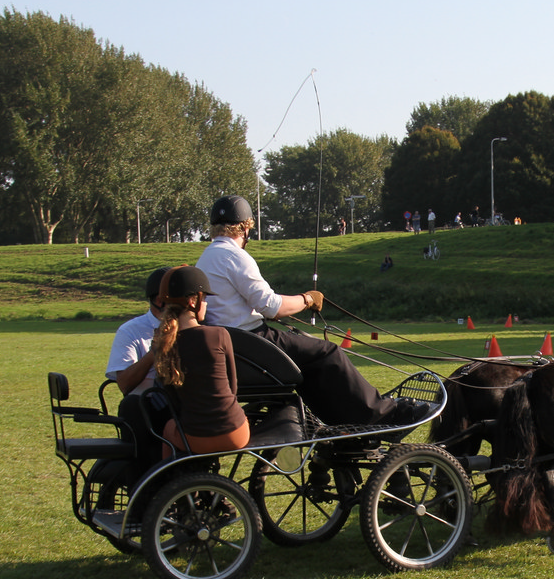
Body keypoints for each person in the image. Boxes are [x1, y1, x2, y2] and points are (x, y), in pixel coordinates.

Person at [194, 195, 429, 430]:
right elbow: (272, 306)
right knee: (327, 351)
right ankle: (382, 415)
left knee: (307, 358)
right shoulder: (234, 255)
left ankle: (342, 422)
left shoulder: (207, 257)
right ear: (246, 228)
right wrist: (307, 299)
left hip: (233, 344)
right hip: (250, 340)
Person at [150, 265, 250, 456]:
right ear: (192, 301)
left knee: (169, 427)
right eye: (204, 299)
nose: (206, 304)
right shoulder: (219, 334)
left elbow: (173, 400)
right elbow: (233, 387)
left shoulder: (161, 345)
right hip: (235, 434)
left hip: (195, 440)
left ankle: (172, 472)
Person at [106, 266, 170, 394]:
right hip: (146, 403)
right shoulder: (130, 330)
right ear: (160, 301)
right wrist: (154, 353)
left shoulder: (196, 327)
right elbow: (124, 384)